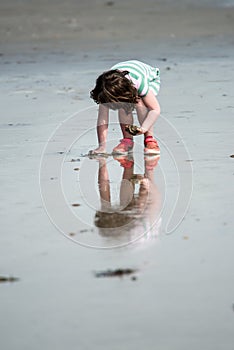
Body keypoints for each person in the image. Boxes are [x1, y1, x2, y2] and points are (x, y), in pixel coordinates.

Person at [90, 60, 161, 155]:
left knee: (140, 103)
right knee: (124, 107)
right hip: (122, 80)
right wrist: (102, 146)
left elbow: (155, 109)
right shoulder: (104, 90)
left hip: (150, 78)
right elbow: (103, 119)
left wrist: (143, 128)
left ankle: (149, 139)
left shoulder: (139, 82)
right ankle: (127, 140)